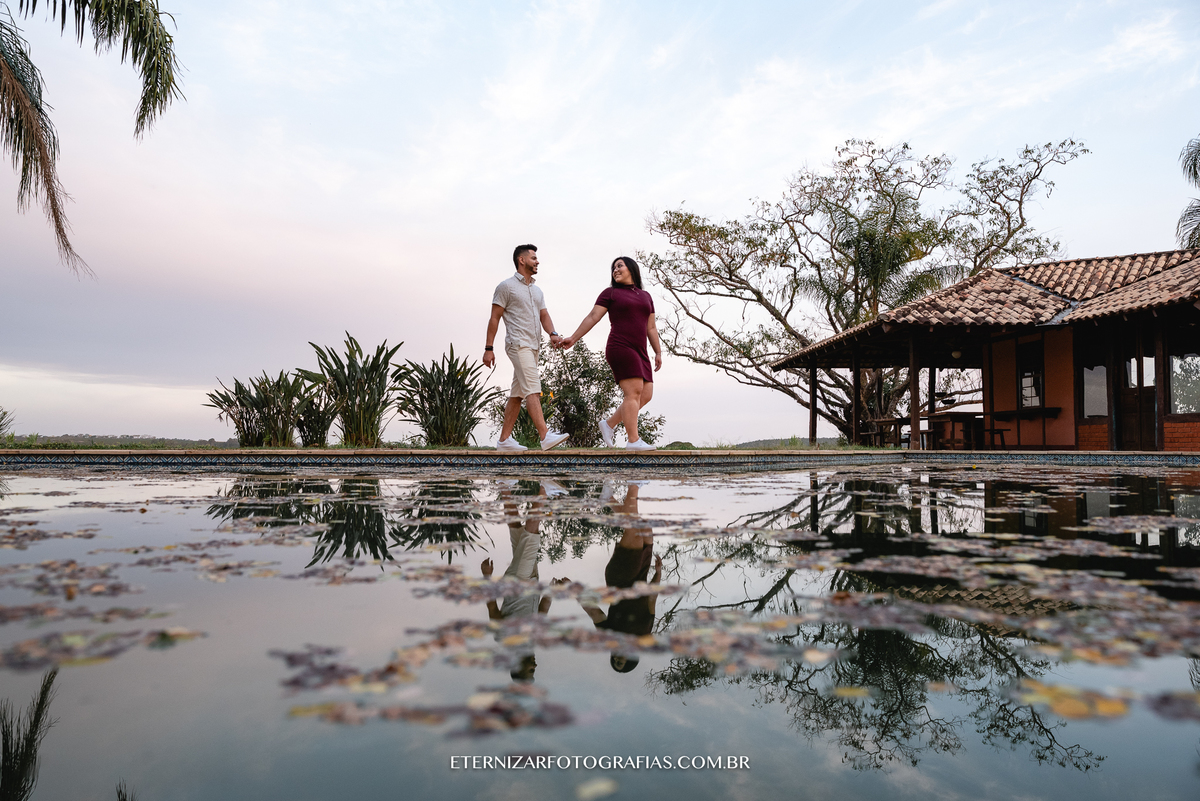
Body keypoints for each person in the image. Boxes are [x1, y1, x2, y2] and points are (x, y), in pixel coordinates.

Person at [559, 256, 662, 451]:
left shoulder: (646, 296)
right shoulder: (610, 293)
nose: (615, 270)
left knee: (645, 394)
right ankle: (633, 441)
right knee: (633, 392)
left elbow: (651, 327)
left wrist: (658, 351)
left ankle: (609, 424)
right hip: (620, 346)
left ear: (632, 269)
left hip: (641, 350)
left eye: (620, 266)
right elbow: (593, 317)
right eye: (613, 268)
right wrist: (573, 338)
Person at [484, 244, 570, 451]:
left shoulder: (537, 290)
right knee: (533, 387)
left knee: (518, 394)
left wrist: (553, 333)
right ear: (521, 260)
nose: (537, 261)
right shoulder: (506, 287)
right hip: (518, 344)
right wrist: (488, 348)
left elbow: (544, 315)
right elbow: (494, 318)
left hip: (533, 347)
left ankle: (504, 441)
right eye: (533, 258)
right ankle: (545, 436)